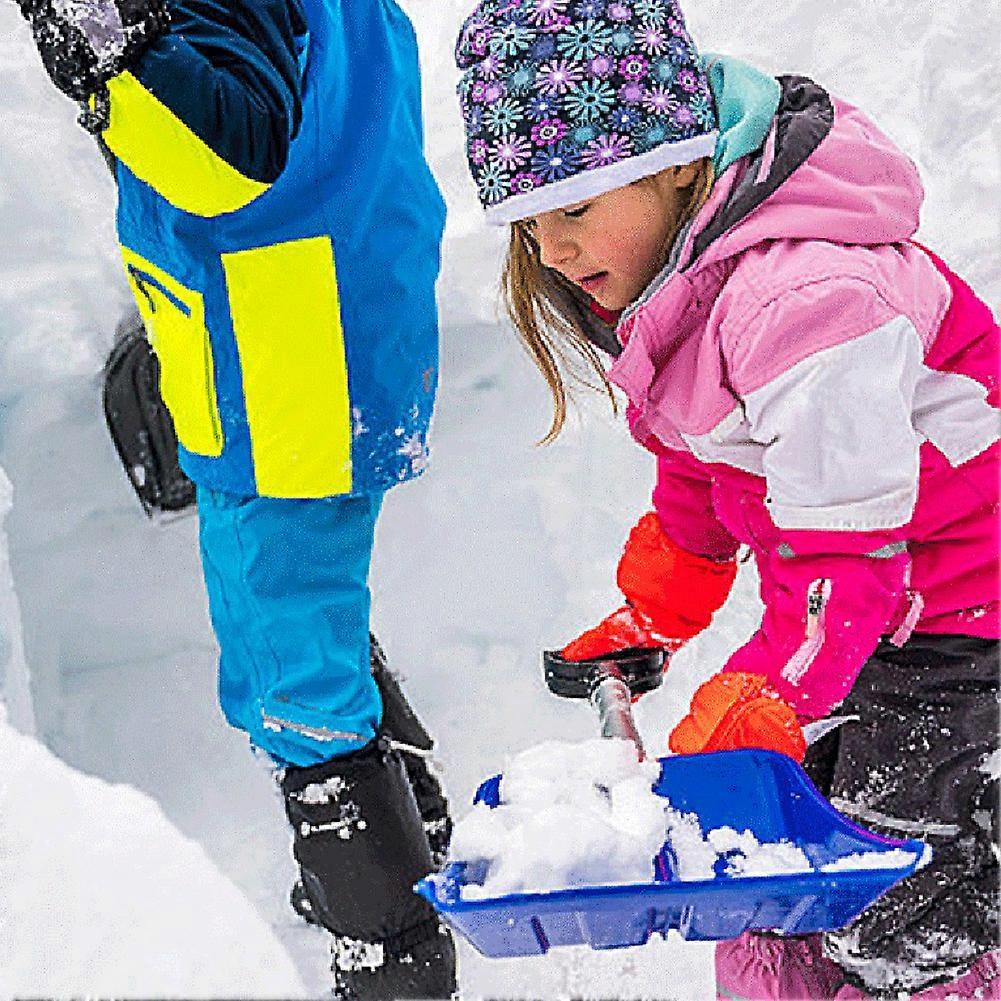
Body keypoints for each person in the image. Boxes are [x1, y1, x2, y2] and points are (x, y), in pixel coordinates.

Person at [453, 0, 1000, 997]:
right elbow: (707, 467)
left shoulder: (805, 302)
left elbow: (848, 571)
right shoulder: (688, 281)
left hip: (965, 618)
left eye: (573, 208)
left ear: (673, 159)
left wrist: (763, 694)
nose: (552, 251)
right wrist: (654, 607)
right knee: (769, 893)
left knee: (904, 914)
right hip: (880, 618)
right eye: (528, 225)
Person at [13, 0, 457, 996]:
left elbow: (222, 154)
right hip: (335, 333)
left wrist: (110, 55)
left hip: (279, 376)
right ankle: (406, 828)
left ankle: (387, 938)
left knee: (286, 662)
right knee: (311, 616)